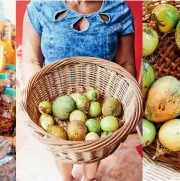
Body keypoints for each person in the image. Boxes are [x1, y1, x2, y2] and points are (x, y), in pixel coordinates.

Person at [22, 1, 136, 181]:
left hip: (100, 103)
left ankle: (89, 178)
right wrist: (34, 101)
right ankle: (67, 178)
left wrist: (131, 103)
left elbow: (126, 64)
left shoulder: (119, 9)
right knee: (60, 146)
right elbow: (31, 61)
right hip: (53, 102)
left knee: (93, 148)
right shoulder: (40, 6)